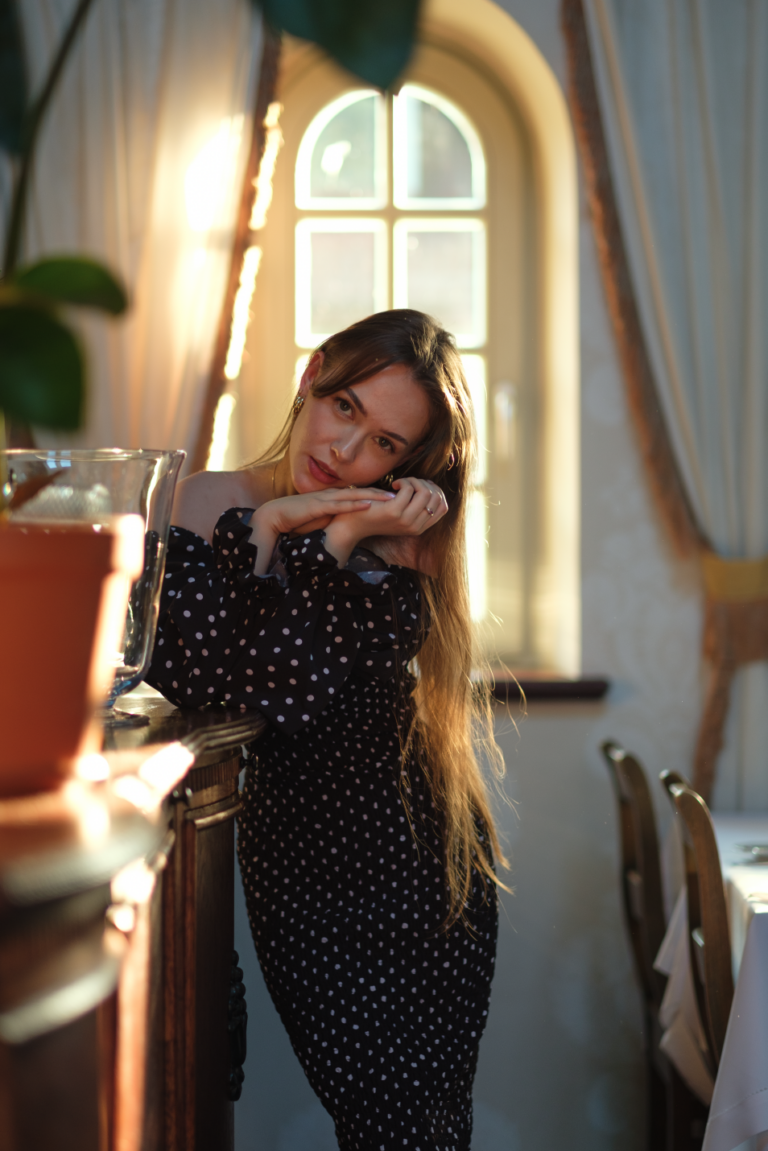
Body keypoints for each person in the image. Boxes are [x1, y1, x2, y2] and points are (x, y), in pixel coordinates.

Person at [147, 309, 507, 1150]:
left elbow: (292, 679)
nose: (345, 451)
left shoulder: (398, 536)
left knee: (424, 1127)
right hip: (304, 868)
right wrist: (294, 528)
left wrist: (339, 531)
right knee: (379, 1120)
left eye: (383, 443)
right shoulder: (207, 501)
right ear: (312, 376)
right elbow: (234, 687)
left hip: (420, 859)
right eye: (345, 406)